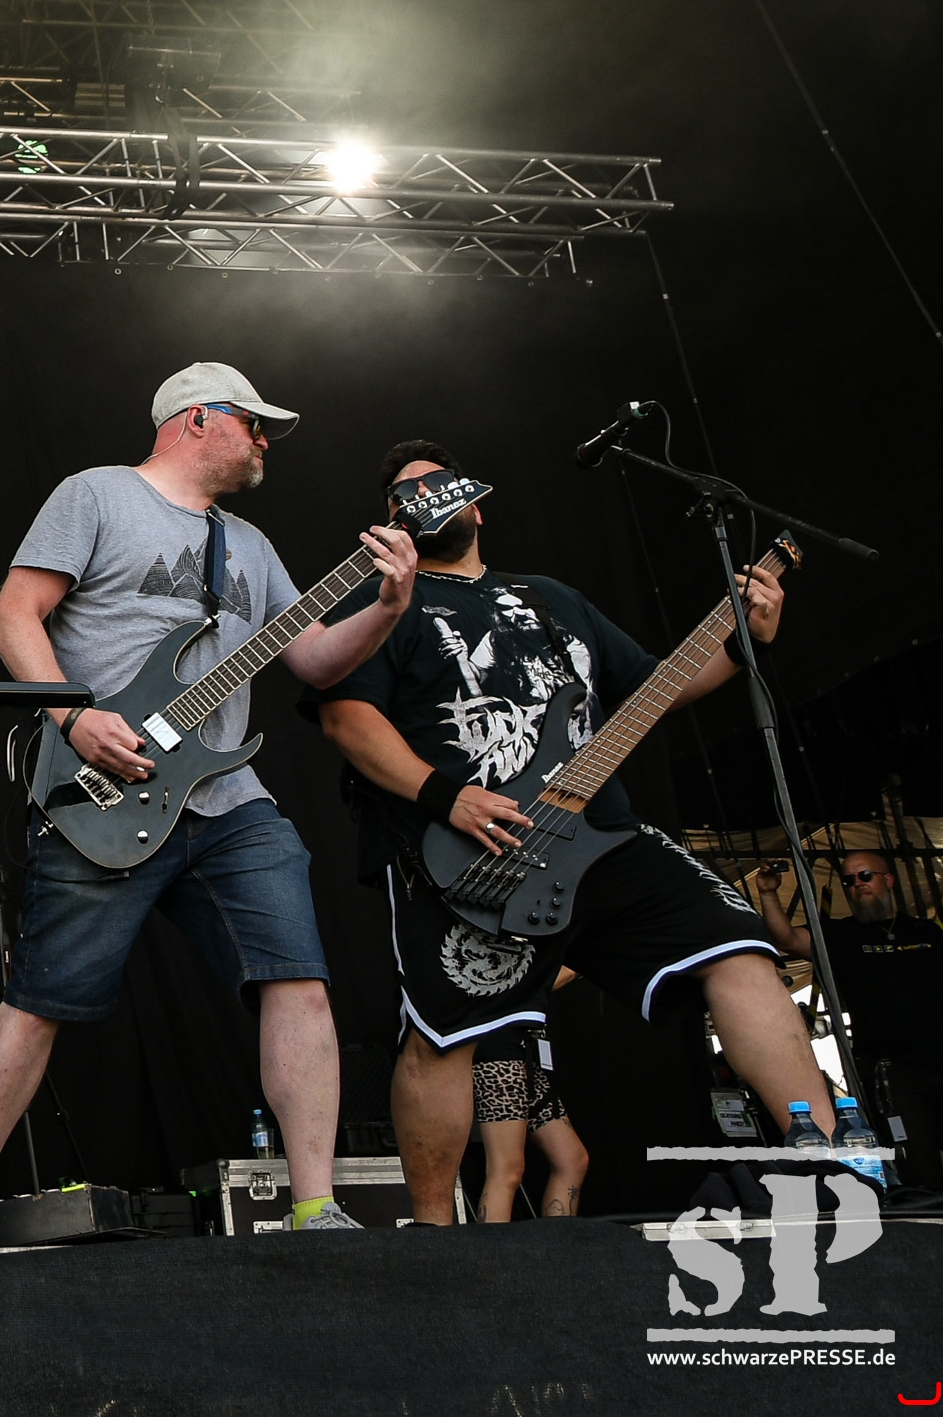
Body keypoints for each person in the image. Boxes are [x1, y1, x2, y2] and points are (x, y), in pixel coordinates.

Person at [310, 438, 843, 1223]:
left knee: (737, 944)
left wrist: (742, 642)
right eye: (403, 496)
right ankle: (433, 1240)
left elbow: (656, 684)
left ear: (476, 502)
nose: (422, 499)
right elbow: (346, 719)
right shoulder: (385, 603)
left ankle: (825, 1164)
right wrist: (448, 797)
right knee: (444, 1034)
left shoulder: (553, 597)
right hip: (474, 851)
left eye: (438, 483)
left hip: (601, 833)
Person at [0, 362, 419, 1229]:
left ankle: (316, 1206)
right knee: (40, 999)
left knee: (298, 976)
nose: (265, 440)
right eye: (252, 422)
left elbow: (313, 661)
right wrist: (72, 716)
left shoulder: (252, 547)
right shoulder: (96, 495)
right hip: (100, 791)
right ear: (197, 418)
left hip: (227, 799)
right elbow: (13, 617)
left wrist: (387, 605)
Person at [745, 846, 943, 1183]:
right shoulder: (839, 934)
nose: (857, 885)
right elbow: (786, 938)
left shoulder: (927, 932)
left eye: (865, 876)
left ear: (888, 880)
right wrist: (768, 893)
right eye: (849, 881)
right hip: (893, 1072)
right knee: (917, 1160)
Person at [473, 975, 586, 1221]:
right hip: (497, 1054)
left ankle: (559, 1243)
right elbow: (534, 980)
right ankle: (490, 1247)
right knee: (506, 1170)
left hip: (524, 1051)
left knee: (572, 1160)